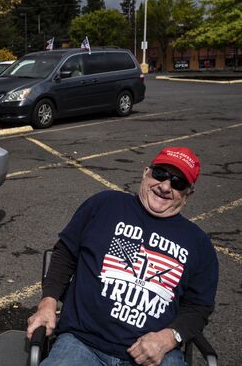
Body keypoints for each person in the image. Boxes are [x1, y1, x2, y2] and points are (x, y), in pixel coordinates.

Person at [27, 146, 218, 366]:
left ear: (188, 193)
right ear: (146, 172)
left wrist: (169, 337)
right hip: (83, 342)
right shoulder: (105, 205)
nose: (165, 186)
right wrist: (47, 304)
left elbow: (199, 307)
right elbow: (66, 253)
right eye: (160, 174)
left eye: (178, 182)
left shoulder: (199, 244)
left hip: (156, 355)